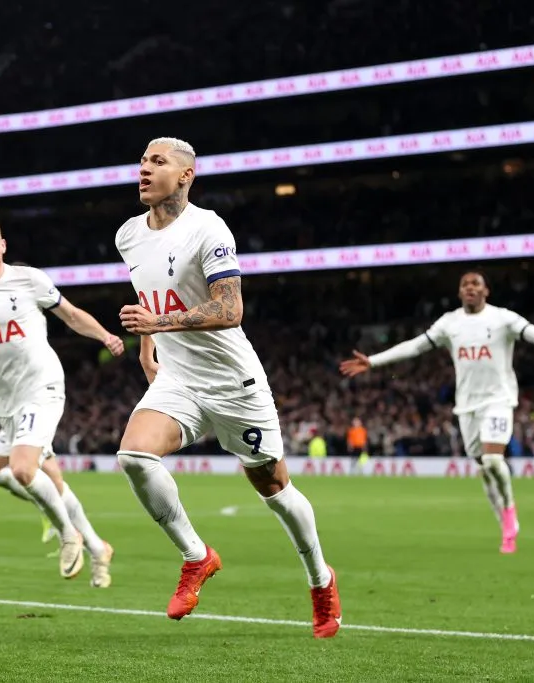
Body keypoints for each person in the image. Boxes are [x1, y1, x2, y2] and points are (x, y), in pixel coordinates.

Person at [115, 137, 341, 639]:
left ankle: (320, 580)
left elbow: (230, 309)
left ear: (186, 175)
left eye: (157, 161)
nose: (144, 169)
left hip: (233, 383)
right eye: (142, 160)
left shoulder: (208, 228)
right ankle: (197, 557)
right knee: (134, 455)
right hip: (179, 381)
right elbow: (153, 299)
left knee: (274, 488)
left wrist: (159, 322)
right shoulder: (128, 235)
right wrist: (149, 341)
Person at [339, 270, 534, 553]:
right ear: (459, 293)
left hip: (498, 400)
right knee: (484, 470)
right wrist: (373, 361)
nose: (470, 288)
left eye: (476, 284)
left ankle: (510, 514)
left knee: (494, 460)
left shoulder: (503, 319)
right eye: (465, 284)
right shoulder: (450, 323)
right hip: (467, 406)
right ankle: (504, 526)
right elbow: (416, 346)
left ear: (486, 291)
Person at [0, 214, 124, 584]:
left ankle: (68, 535)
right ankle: (97, 546)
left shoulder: (29, 279)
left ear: (2, 245)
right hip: (5, 402)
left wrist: (105, 336)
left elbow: (71, 315)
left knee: (24, 469)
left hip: (40, 388)